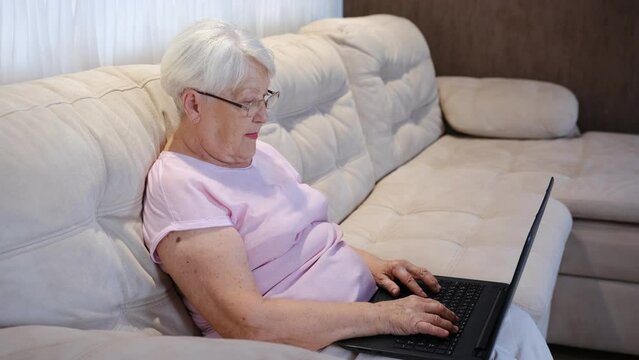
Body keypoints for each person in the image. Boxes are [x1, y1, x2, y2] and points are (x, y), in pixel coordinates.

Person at [142, 20, 552, 359]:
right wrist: (387, 319)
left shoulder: (257, 153)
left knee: (506, 324)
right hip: (323, 342)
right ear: (194, 104)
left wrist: (377, 265)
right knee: (495, 347)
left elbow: (308, 239)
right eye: (248, 102)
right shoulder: (181, 186)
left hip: (364, 314)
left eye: (266, 98)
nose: (263, 116)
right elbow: (245, 321)